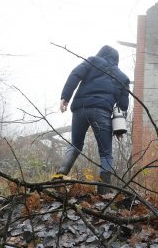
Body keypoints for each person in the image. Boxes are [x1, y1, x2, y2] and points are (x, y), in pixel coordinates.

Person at [55, 45, 130, 194]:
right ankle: (103, 193)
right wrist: (119, 129)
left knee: (75, 145)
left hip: (80, 109)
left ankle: (59, 176)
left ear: (101, 53)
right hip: (102, 112)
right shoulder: (122, 78)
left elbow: (75, 74)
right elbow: (123, 105)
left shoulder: (93, 61)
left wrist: (65, 97)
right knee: (106, 153)